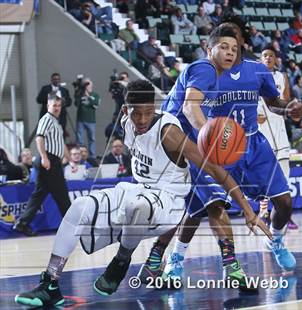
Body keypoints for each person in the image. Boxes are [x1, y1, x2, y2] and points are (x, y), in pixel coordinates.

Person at [14, 79, 269, 307]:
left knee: (139, 205)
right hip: (140, 191)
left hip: (170, 203)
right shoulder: (126, 123)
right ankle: (50, 283)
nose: (144, 119)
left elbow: (213, 167)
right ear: (126, 111)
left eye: (149, 112)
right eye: (138, 113)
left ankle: (121, 262)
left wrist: (247, 210)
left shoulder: (168, 132)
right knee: (78, 208)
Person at [139, 16, 302, 290]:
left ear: (242, 42)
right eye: (225, 43)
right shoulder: (205, 69)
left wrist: (288, 109)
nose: (231, 48)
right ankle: (174, 262)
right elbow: (191, 108)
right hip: (199, 144)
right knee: (201, 207)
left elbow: (273, 102)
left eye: (235, 43)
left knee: (283, 202)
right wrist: (209, 136)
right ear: (211, 46)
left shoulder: (255, 70)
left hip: (246, 142)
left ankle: (273, 241)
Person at [13, 91, 71, 237]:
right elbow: (39, 138)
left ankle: (22, 223)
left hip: (52, 160)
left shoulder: (56, 122)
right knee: (62, 195)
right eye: (54, 105)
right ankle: (72, 226)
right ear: (47, 105)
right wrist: (45, 157)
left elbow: (60, 143)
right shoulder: (46, 119)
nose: (57, 108)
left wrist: (69, 158)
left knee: (39, 194)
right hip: (48, 160)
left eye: (59, 105)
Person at [257, 45, 299, 230]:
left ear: (276, 60)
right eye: (264, 55)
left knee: (283, 176)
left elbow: (286, 102)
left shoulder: (282, 77)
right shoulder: (254, 77)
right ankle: (263, 213)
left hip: (279, 129)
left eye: (271, 55)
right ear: (260, 59)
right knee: (266, 175)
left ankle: (284, 213)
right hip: (262, 129)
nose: (268, 58)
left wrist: (293, 109)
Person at [75, 78, 100, 158]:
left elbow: (95, 104)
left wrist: (88, 96)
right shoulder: (79, 94)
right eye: (86, 84)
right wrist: (79, 92)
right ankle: (80, 155)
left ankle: (92, 156)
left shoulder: (95, 95)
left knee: (92, 139)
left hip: (91, 120)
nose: (87, 86)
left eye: (88, 84)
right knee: (80, 139)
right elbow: (76, 103)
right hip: (81, 119)